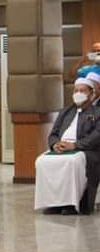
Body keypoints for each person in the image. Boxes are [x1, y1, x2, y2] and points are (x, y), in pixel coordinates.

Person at [35, 77, 100, 215]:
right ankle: (53, 203)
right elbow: (53, 134)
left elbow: (96, 136)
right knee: (41, 161)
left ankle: (71, 204)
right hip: (62, 146)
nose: (78, 93)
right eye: (76, 90)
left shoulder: (97, 112)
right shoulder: (65, 112)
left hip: (85, 149)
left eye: (82, 91)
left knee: (72, 161)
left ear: (91, 94)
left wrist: (75, 145)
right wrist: (54, 144)